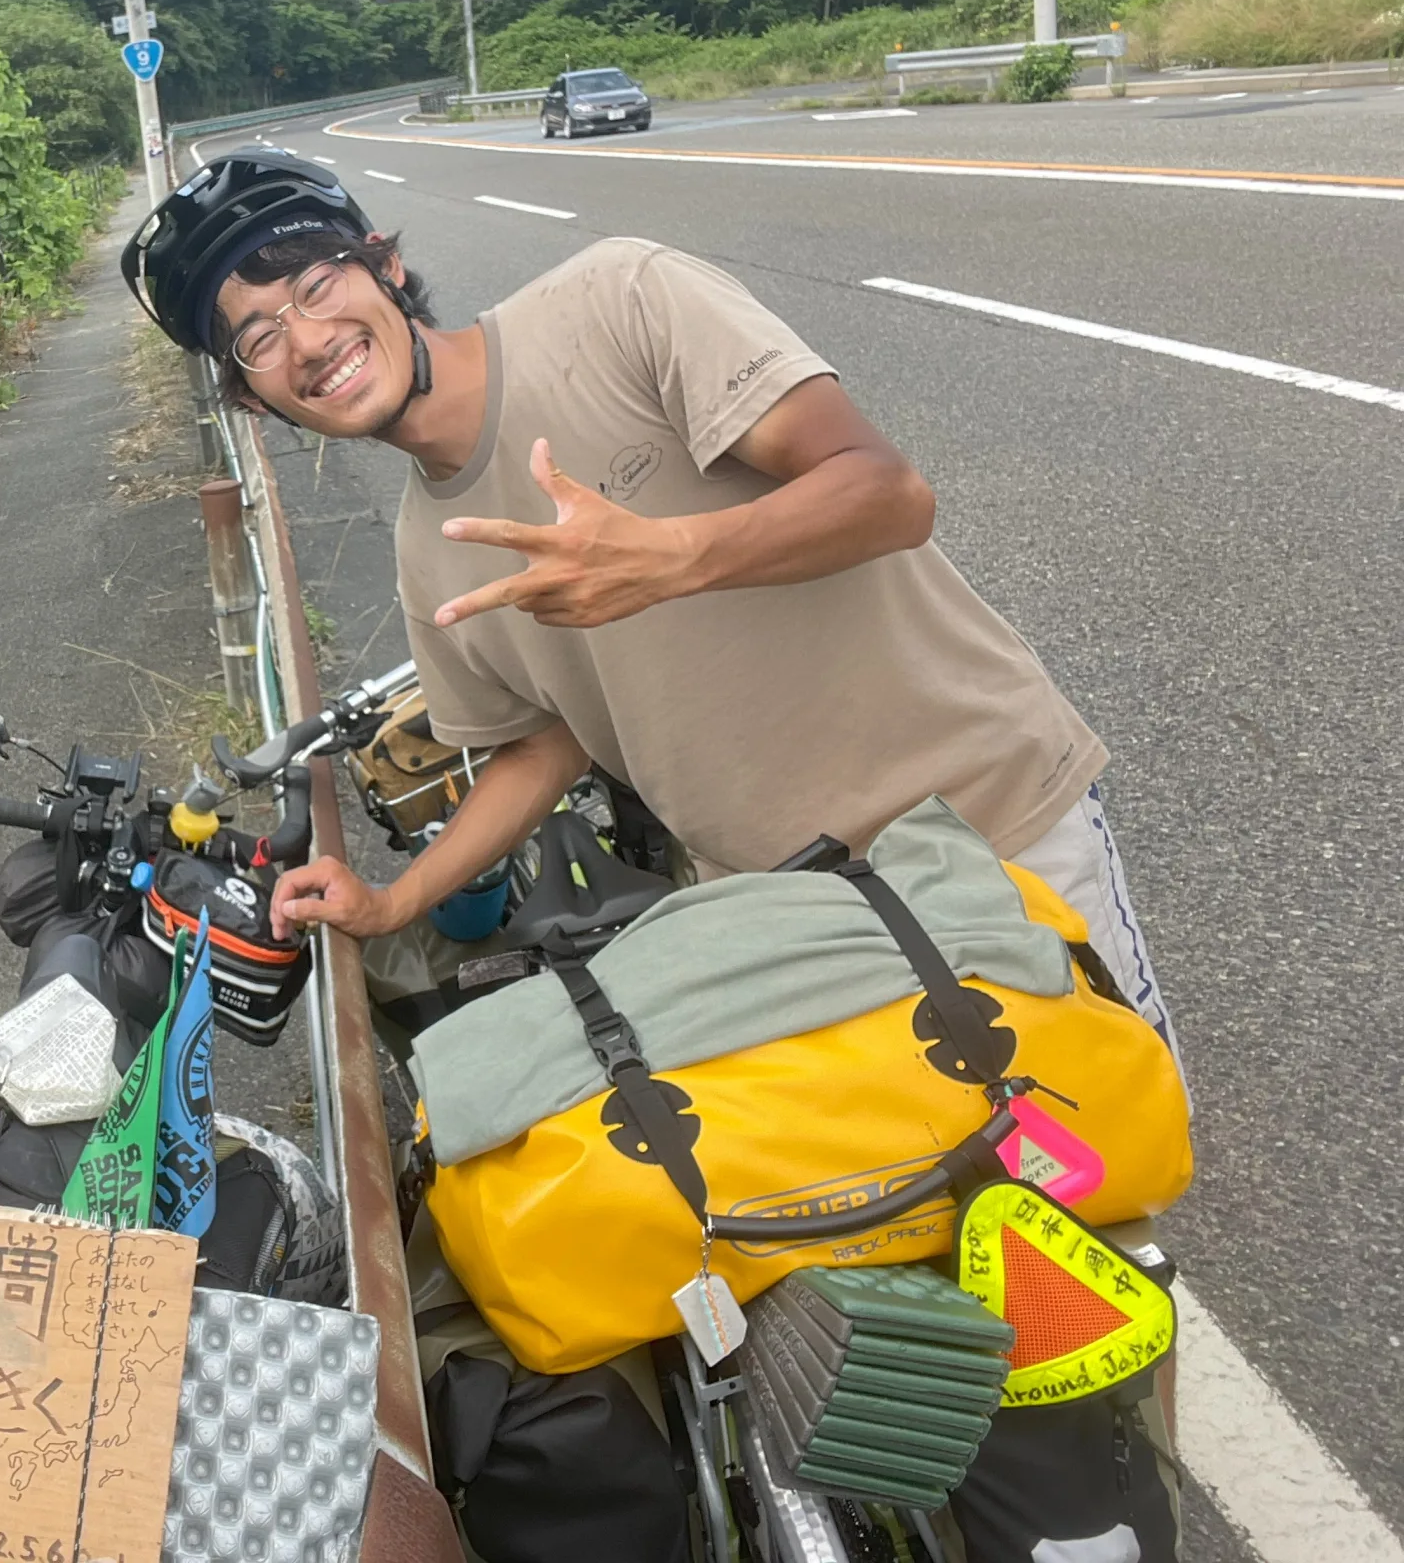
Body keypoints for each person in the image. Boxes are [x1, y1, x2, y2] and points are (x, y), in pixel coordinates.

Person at [123, 148, 1182, 1562]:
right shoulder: (429, 547)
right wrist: (394, 896)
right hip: (781, 906)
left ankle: (1132, 1485)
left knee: (1092, 1201)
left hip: (988, 822)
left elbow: (884, 491)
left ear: (382, 262)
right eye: (253, 336)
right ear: (250, 392)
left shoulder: (619, 300)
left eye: (313, 285)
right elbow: (540, 744)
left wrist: (672, 560)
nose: (303, 339)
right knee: (881, 1231)